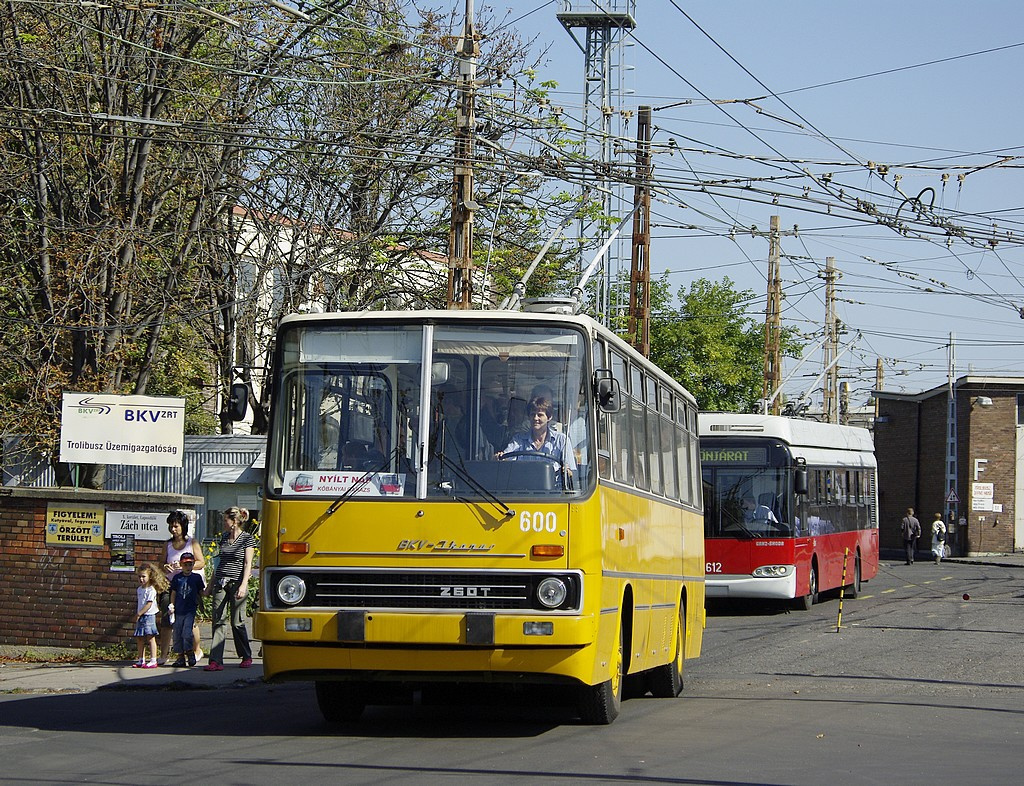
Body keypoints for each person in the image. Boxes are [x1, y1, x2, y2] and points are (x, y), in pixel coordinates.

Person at [204, 506, 257, 671]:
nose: (223, 523)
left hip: (237, 583)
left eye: (225, 519)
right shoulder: (224, 537)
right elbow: (218, 562)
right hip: (221, 582)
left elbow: (248, 563)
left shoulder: (247, 539)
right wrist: (210, 584)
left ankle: (246, 655)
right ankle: (215, 660)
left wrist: (243, 585)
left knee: (237, 622)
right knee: (218, 620)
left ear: (234, 521)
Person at [159, 509, 206, 666]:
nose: (173, 529)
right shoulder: (167, 545)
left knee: (189, 620)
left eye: (176, 526)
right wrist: (166, 567)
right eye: (171, 526)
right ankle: (164, 654)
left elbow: (201, 562)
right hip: (171, 586)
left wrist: (183, 566)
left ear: (183, 527)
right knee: (167, 618)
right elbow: (160, 564)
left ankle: (196, 650)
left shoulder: (191, 543)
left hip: (188, 585)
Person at [497, 396, 577, 480]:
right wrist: (500, 458)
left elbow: (571, 473)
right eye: (532, 414)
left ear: (549, 417)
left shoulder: (561, 440)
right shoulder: (518, 440)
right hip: (524, 489)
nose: (535, 418)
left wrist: (567, 471)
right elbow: (505, 462)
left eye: (540, 415)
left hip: (555, 491)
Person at [168, 552, 206, 667]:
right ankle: (180, 656)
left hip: (190, 610)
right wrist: (171, 605)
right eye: (185, 565)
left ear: (193, 564)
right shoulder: (177, 578)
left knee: (187, 633)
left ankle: (190, 653)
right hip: (179, 610)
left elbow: (201, 593)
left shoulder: (196, 578)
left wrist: (202, 604)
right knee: (177, 634)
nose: (188, 567)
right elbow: (173, 592)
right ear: (181, 565)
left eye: (190, 565)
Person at [133, 563, 167, 669]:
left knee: (150, 637)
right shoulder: (139, 589)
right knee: (140, 638)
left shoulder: (151, 590)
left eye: (143, 576)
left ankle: (153, 659)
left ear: (149, 577)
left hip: (148, 615)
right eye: (139, 576)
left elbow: (149, 604)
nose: (141, 579)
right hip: (141, 616)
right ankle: (140, 659)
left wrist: (139, 613)